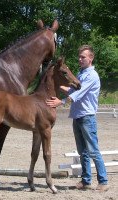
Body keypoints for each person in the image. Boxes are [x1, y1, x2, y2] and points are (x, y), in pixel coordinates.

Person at [46, 45, 108, 191]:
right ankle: (86, 181)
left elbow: (77, 95)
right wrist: (56, 81)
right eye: (79, 57)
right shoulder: (81, 74)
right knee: (83, 152)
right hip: (78, 116)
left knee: (93, 150)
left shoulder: (92, 75)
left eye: (83, 57)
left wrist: (60, 102)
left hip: (87, 117)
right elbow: (72, 89)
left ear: (90, 58)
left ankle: (103, 181)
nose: (80, 59)